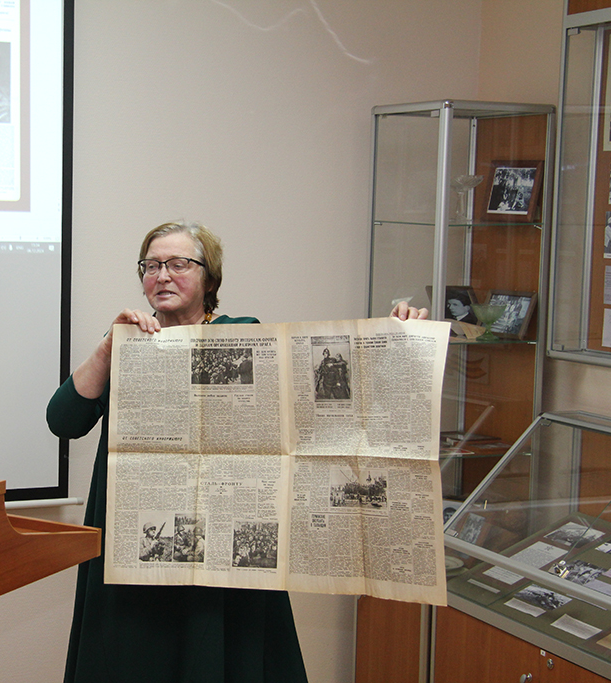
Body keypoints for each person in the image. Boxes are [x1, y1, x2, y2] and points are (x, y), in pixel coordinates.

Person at [46, 220, 426, 683]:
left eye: (178, 264)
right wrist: (109, 346)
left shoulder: (244, 334)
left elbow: (322, 405)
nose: (162, 275)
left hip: (222, 555)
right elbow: (63, 421)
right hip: (138, 557)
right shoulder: (130, 344)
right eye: (151, 265)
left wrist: (398, 337)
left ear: (209, 279)